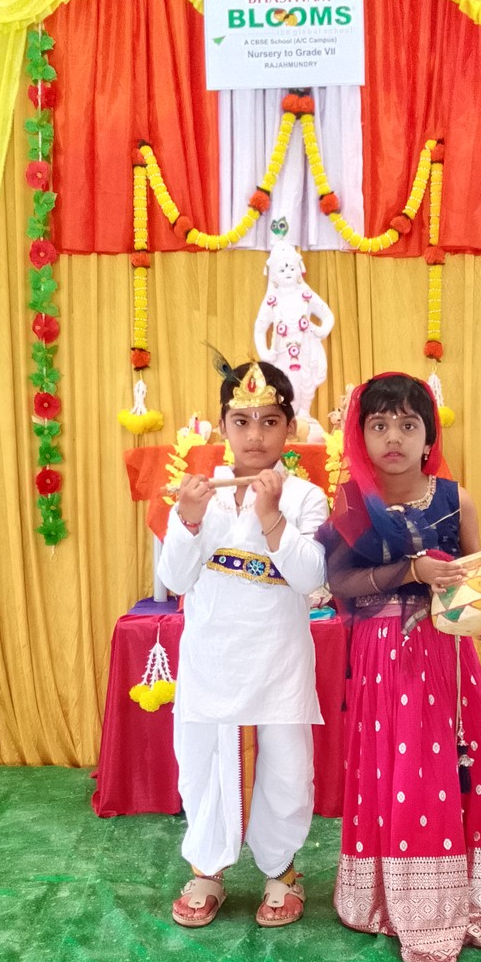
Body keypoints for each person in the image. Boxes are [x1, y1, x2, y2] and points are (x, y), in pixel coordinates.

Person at [319, 373, 481, 962]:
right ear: (361, 436)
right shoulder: (352, 503)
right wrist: (412, 571)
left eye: (408, 425)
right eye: (379, 425)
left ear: (429, 437)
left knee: (448, 768)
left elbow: (479, 580)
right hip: (378, 657)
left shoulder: (456, 500)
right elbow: (340, 582)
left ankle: (467, 902)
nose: (394, 437)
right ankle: (392, 901)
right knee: (395, 769)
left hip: (444, 656)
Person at [159, 360, 328, 929]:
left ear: (290, 429)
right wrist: (187, 520)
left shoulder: (305, 497)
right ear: (222, 427)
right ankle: (207, 869)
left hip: (278, 662)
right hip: (210, 662)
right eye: (242, 422)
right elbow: (176, 578)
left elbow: (310, 578)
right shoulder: (199, 495)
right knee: (200, 766)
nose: (255, 435)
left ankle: (281, 872)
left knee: (286, 771)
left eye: (270, 422)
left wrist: (271, 515)